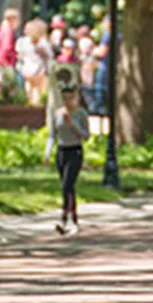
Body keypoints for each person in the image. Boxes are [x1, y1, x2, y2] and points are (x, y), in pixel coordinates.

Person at [53, 85, 89, 235]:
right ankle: (74, 220)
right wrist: (47, 153)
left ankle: (63, 218)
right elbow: (52, 134)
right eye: (64, 98)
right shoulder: (57, 113)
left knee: (67, 185)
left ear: (76, 97)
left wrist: (72, 124)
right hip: (62, 151)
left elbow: (86, 136)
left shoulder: (81, 114)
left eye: (70, 98)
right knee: (67, 187)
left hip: (75, 151)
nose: (68, 101)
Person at [16, 17, 53, 106]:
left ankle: (30, 108)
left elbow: (19, 55)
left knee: (29, 91)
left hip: (27, 70)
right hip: (40, 70)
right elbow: (49, 56)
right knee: (40, 92)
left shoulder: (21, 41)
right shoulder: (43, 43)